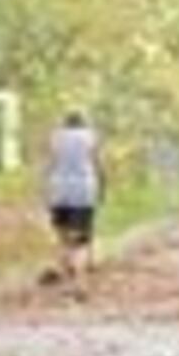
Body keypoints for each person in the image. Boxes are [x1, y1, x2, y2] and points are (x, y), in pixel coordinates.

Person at [42, 109, 104, 287]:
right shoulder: (91, 137)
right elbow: (97, 163)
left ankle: (65, 268)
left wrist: (45, 190)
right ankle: (79, 282)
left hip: (59, 190)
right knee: (81, 239)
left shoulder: (55, 137)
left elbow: (49, 165)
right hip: (83, 191)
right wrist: (102, 186)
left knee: (63, 234)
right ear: (84, 123)